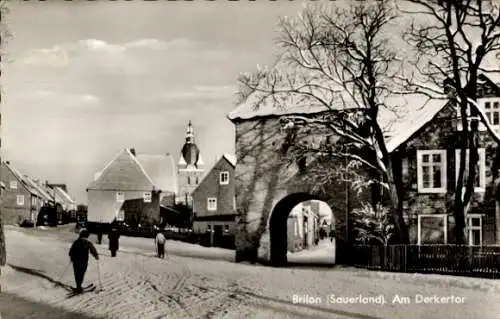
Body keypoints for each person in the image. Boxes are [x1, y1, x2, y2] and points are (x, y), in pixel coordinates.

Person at [69, 228, 99, 293]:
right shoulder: (88, 243)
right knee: (81, 273)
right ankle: (79, 286)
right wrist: (96, 255)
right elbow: (92, 249)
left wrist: (71, 257)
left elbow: (71, 250)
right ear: (87, 236)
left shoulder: (76, 242)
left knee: (77, 273)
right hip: (83, 261)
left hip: (76, 261)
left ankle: (78, 286)